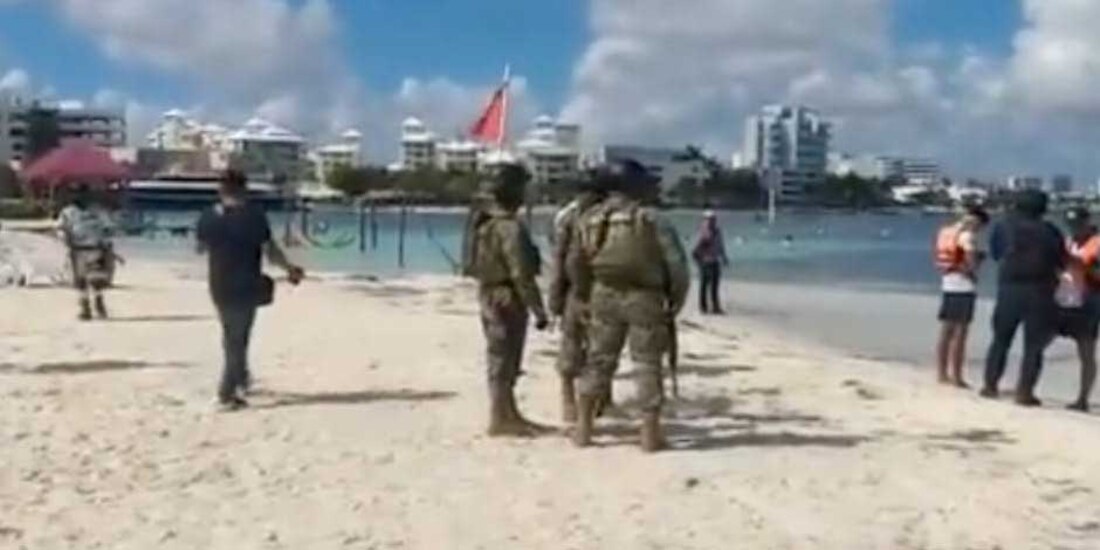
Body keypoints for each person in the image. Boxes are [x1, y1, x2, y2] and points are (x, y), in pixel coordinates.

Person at [572, 159, 689, 452]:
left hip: (603, 293)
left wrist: (582, 296)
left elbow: (577, 262)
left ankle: (583, 429)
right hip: (644, 297)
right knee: (647, 363)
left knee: (598, 361)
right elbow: (677, 265)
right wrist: (676, 299)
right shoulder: (651, 219)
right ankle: (650, 435)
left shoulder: (589, 219)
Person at [196, 170, 304, 411]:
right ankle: (226, 393)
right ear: (244, 189)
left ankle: (241, 379)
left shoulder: (208, 216)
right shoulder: (254, 216)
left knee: (230, 335)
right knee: (238, 339)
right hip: (246, 283)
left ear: (220, 190)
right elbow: (271, 251)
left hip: (219, 283)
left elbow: (200, 249)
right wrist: (290, 269)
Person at [465, 163, 551, 437]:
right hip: (505, 295)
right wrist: (538, 308)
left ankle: (508, 412)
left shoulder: (484, 222)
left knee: (502, 356)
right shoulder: (508, 227)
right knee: (505, 357)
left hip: (490, 292)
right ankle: (500, 417)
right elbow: (520, 272)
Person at [983, 190, 1066, 407]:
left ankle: (990, 385)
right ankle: (1024, 392)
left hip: (1010, 287)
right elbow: (1060, 261)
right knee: (1034, 346)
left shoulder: (1003, 226)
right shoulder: (1050, 231)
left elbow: (996, 253)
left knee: (1000, 340)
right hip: (1040, 289)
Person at [548, 179, 606, 422]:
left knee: (573, 343)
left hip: (576, 290)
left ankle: (569, 399)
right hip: (599, 290)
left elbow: (559, 261)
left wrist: (555, 298)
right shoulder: (604, 217)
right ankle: (594, 398)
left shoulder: (568, 218)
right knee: (600, 347)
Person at [933, 205, 990, 388]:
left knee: (946, 331)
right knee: (960, 334)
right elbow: (970, 259)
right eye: (980, 226)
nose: (979, 229)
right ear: (977, 222)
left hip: (947, 283)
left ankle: (942, 373)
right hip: (963, 287)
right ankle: (957, 377)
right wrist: (977, 267)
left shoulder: (946, 231)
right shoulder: (967, 236)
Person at [1054, 207, 1099, 413]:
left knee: (1086, 351)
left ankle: (1082, 399)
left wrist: (1082, 266)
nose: (1073, 228)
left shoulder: (1096, 243)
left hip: (1088, 301)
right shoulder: (1068, 241)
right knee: (1039, 339)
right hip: (1063, 298)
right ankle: (1027, 386)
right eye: (1070, 224)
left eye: (1077, 224)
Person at [56, 184, 116, 321]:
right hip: (77, 250)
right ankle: (85, 307)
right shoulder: (68, 212)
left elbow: (109, 228)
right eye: (76, 194)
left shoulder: (98, 211)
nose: (79, 197)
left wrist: (106, 242)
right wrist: (65, 239)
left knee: (97, 280)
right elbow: (60, 229)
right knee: (80, 281)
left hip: (96, 248)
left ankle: (99, 304)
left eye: (82, 194)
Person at [692, 211, 729, 314]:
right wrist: (700, 262)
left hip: (715, 261)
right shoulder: (703, 233)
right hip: (706, 262)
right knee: (704, 285)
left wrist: (724, 257)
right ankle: (703, 307)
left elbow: (720, 246)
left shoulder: (717, 232)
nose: (711, 221)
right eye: (709, 219)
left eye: (713, 219)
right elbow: (695, 250)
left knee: (714, 286)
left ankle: (715, 307)